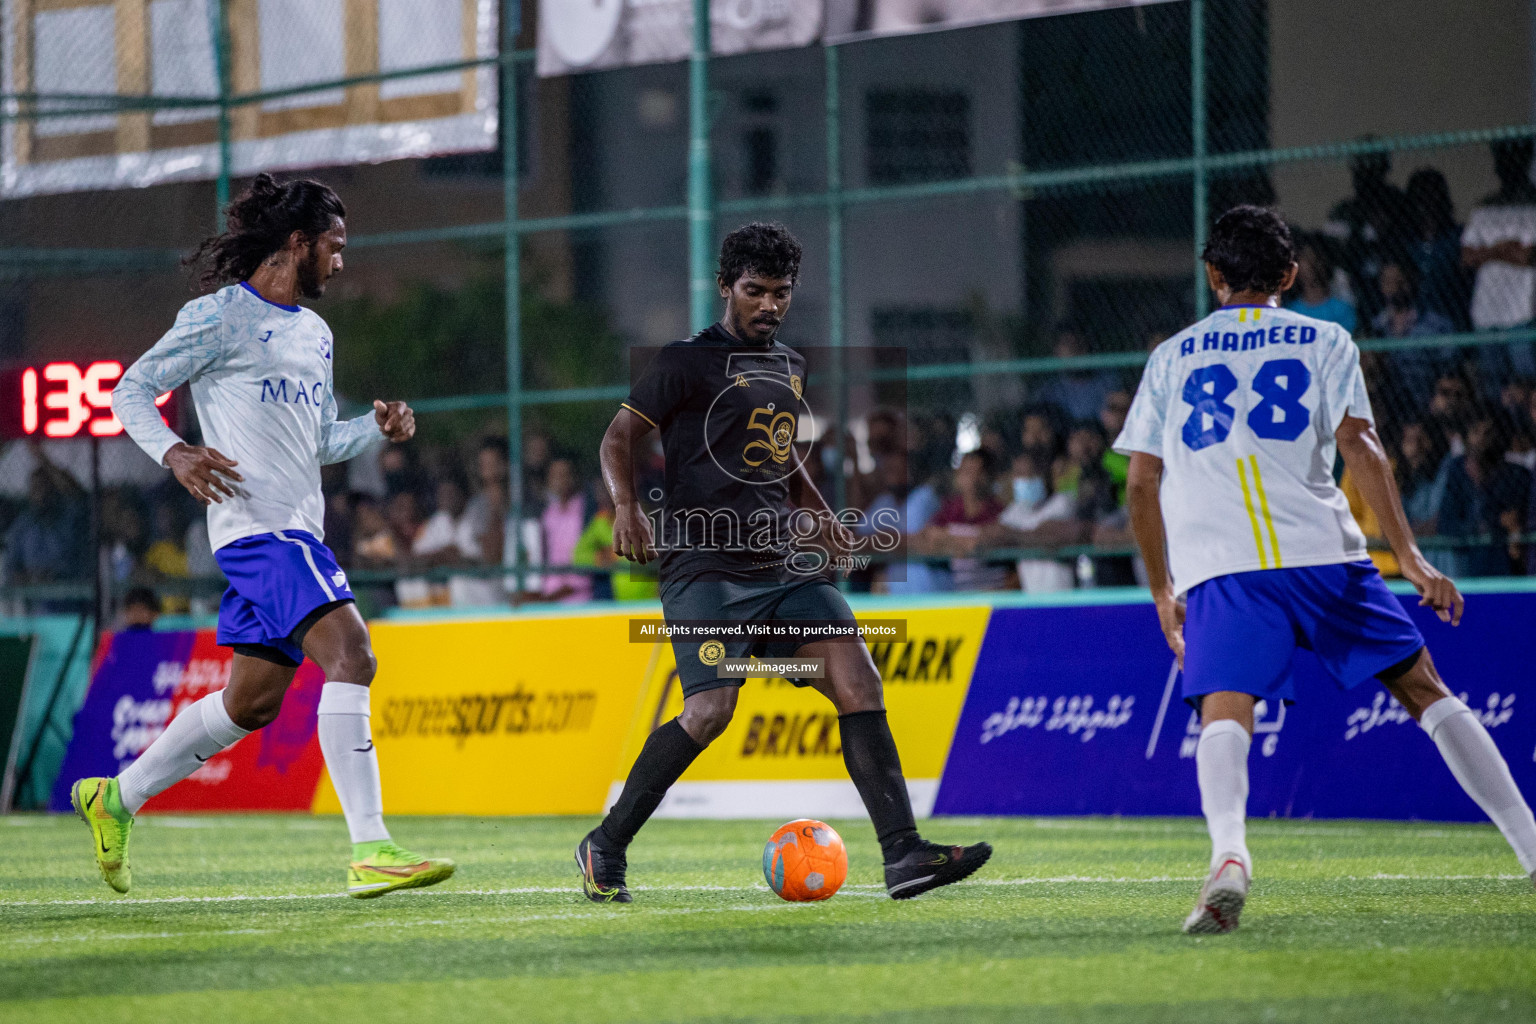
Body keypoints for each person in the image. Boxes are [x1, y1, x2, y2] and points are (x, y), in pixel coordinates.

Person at [1116, 205, 1536, 935]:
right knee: (1424, 690)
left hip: (1223, 566)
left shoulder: (1171, 357)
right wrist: (1407, 556)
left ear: (1213, 276)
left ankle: (1230, 857)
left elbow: (1141, 484)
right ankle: (1531, 848)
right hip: (1323, 555)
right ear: (1290, 275)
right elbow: (1363, 446)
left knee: (1224, 711)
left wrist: (1162, 590)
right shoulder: (1325, 338)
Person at [584, 222, 990, 903]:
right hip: (702, 568)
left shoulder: (790, 365)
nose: (768, 306)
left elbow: (783, 451)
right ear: (725, 289)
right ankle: (604, 845)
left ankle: (903, 855)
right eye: (754, 291)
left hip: (781, 567)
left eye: (780, 293)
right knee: (711, 710)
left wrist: (820, 514)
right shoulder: (684, 361)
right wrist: (627, 506)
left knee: (859, 682)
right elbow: (617, 436)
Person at [75, 173, 453, 899]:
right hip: (259, 534)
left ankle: (115, 798)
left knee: (250, 703)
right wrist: (176, 451)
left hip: (297, 529)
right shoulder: (218, 317)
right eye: (334, 247)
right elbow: (130, 389)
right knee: (354, 655)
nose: (341, 262)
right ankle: (372, 847)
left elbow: (318, 444)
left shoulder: (315, 333)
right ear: (297, 242)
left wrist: (372, 432)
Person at [1463, 139, 1536, 381]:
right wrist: (1506, 248)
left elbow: (1528, 256)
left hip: (1522, 313)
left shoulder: (1532, 206)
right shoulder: (1485, 209)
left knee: (1526, 383)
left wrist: (1489, 252)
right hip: (1486, 314)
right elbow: (1468, 256)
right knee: (1494, 387)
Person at [1285, 241, 1357, 333]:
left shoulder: (1342, 309)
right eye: (1305, 259)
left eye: (1313, 259)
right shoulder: (1291, 312)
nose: (1311, 265)